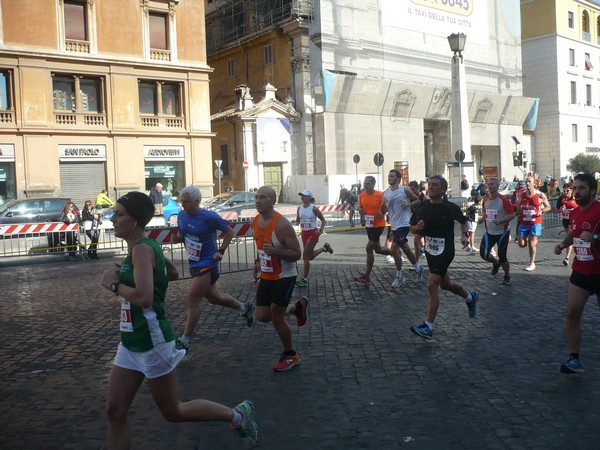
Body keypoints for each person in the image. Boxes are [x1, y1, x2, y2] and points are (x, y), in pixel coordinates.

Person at [100, 191, 258, 449]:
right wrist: (136, 273)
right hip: (130, 341)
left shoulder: (141, 249)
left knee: (174, 411)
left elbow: (144, 298)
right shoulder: (145, 247)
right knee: (114, 411)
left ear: (136, 220)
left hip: (152, 341)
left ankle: (238, 415)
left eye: (119, 214)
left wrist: (114, 285)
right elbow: (171, 272)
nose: (112, 219)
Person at [172, 185, 254, 353]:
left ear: (196, 201)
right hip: (194, 263)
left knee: (193, 300)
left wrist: (221, 251)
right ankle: (244, 307)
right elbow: (183, 235)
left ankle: (185, 341)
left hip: (207, 263)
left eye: (186, 201)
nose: (182, 204)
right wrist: (177, 239)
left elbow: (230, 232)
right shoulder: (181, 215)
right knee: (214, 298)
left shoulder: (209, 216)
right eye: (181, 201)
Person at [408, 175, 479, 340]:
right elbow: (411, 228)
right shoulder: (423, 207)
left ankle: (428, 327)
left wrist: (464, 235)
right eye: (430, 185)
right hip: (431, 250)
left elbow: (464, 221)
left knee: (432, 284)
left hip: (446, 250)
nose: (430, 187)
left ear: (443, 190)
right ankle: (470, 297)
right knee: (446, 284)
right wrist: (416, 227)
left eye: (435, 185)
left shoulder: (450, 207)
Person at [252, 186, 308, 372]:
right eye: (257, 197)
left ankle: (291, 355)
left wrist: (275, 251)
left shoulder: (282, 225)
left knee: (276, 318)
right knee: (262, 316)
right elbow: (261, 247)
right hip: (267, 275)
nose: (258, 200)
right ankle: (297, 307)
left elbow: (297, 253)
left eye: (263, 197)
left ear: (273, 201)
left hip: (285, 275)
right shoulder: (255, 221)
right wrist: (257, 262)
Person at [553, 173, 600, 374]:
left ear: (592, 191)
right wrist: (564, 243)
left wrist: (596, 236)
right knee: (572, 313)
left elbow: (591, 233)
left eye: (582, 188)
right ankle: (574, 358)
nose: (577, 192)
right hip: (581, 270)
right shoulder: (574, 212)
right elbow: (575, 231)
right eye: (575, 188)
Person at [381, 170, 424, 287]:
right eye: (389, 176)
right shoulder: (385, 193)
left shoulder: (404, 190)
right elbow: (383, 210)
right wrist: (381, 210)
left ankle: (399, 275)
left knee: (394, 249)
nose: (389, 178)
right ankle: (418, 268)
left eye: (392, 176)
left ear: (398, 179)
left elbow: (417, 200)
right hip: (394, 224)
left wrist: (408, 205)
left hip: (404, 224)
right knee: (405, 248)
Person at [477, 177, 516, 285]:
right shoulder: (485, 199)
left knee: (502, 255)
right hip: (489, 231)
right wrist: (482, 218)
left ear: (497, 186)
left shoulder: (503, 200)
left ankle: (507, 275)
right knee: (483, 254)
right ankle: (495, 263)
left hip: (502, 232)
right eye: (488, 184)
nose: (489, 186)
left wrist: (501, 220)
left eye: (492, 184)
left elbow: (513, 214)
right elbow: (487, 213)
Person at [354, 176, 391, 284]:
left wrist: (382, 213)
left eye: (368, 184)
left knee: (369, 247)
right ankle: (395, 252)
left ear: (373, 184)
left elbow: (387, 206)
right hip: (368, 225)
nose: (365, 186)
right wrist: (360, 210)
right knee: (378, 249)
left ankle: (367, 275)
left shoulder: (380, 195)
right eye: (365, 183)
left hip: (378, 224)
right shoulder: (361, 196)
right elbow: (360, 208)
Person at [295, 189, 333, 287]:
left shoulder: (313, 208)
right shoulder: (299, 209)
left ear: (309, 197)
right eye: (301, 196)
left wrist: (320, 231)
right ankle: (324, 248)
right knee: (310, 256)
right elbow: (297, 222)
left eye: (304, 196)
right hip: (304, 233)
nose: (302, 197)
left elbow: (323, 220)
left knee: (305, 257)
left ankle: (304, 279)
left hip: (312, 233)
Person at [516, 176, 552, 271]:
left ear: (534, 183)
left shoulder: (540, 195)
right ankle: (533, 241)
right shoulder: (522, 195)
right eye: (526, 182)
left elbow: (548, 207)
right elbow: (518, 205)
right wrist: (518, 214)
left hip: (535, 222)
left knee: (531, 243)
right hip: (524, 222)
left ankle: (531, 263)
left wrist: (541, 211)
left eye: (529, 182)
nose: (527, 183)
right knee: (521, 244)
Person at [556, 185, 578, 266]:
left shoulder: (576, 198)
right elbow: (556, 210)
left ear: (572, 191)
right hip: (565, 220)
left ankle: (567, 258)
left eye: (567, 191)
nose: (566, 193)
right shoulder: (561, 199)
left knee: (569, 236)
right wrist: (560, 209)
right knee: (569, 236)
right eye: (564, 191)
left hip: (573, 220)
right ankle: (571, 247)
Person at [408, 180, 429, 266]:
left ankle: (416, 263)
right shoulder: (411, 198)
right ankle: (420, 256)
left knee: (417, 240)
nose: (411, 192)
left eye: (413, 190)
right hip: (416, 220)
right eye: (410, 190)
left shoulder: (424, 198)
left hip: (425, 221)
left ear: (417, 189)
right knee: (419, 240)